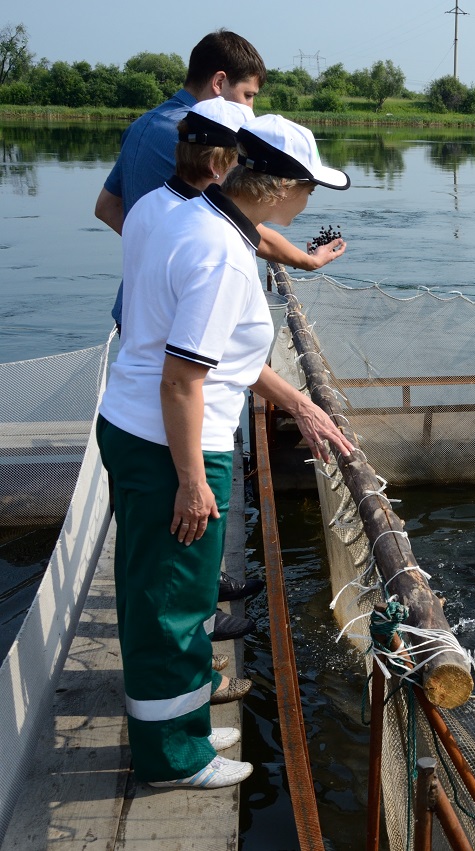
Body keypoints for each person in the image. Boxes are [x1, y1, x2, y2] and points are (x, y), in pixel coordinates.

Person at [96, 113, 355, 790]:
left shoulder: (187, 216)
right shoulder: (222, 254)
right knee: (174, 605)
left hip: (136, 426)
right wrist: (190, 479)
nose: (307, 206)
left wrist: (295, 401)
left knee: (159, 593)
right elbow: (184, 377)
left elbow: (201, 352)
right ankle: (173, 759)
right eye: (307, 191)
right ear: (274, 189)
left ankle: (176, 731)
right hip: (170, 443)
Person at [120, 95, 263, 647]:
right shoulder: (204, 233)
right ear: (223, 165)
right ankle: (179, 712)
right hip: (170, 424)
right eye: (247, 159)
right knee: (172, 583)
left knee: (157, 571)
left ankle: (198, 615)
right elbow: (182, 372)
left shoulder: (153, 208)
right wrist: (192, 479)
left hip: (141, 406)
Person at [95, 30, 347, 329]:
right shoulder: (200, 139)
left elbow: (107, 207)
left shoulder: (142, 125)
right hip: (185, 315)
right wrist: (308, 261)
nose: (250, 109)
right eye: (248, 95)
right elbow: (232, 219)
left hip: (136, 307)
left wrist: (160, 255)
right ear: (218, 82)